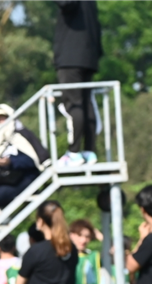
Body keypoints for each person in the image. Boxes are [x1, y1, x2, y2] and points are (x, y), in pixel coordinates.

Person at [54, 0, 102, 166]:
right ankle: (89, 151)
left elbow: (66, 3)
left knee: (74, 104)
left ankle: (74, 153)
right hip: (89, 57)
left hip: (71, 57)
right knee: (86, 104)